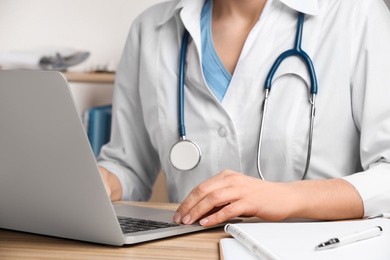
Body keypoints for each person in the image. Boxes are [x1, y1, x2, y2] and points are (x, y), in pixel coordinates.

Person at [98, 0, 390, 227]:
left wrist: (285, 197)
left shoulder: (356, 14)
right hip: (192, 249)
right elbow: (128, 167)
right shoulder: (150, 30)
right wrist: (103, 181)